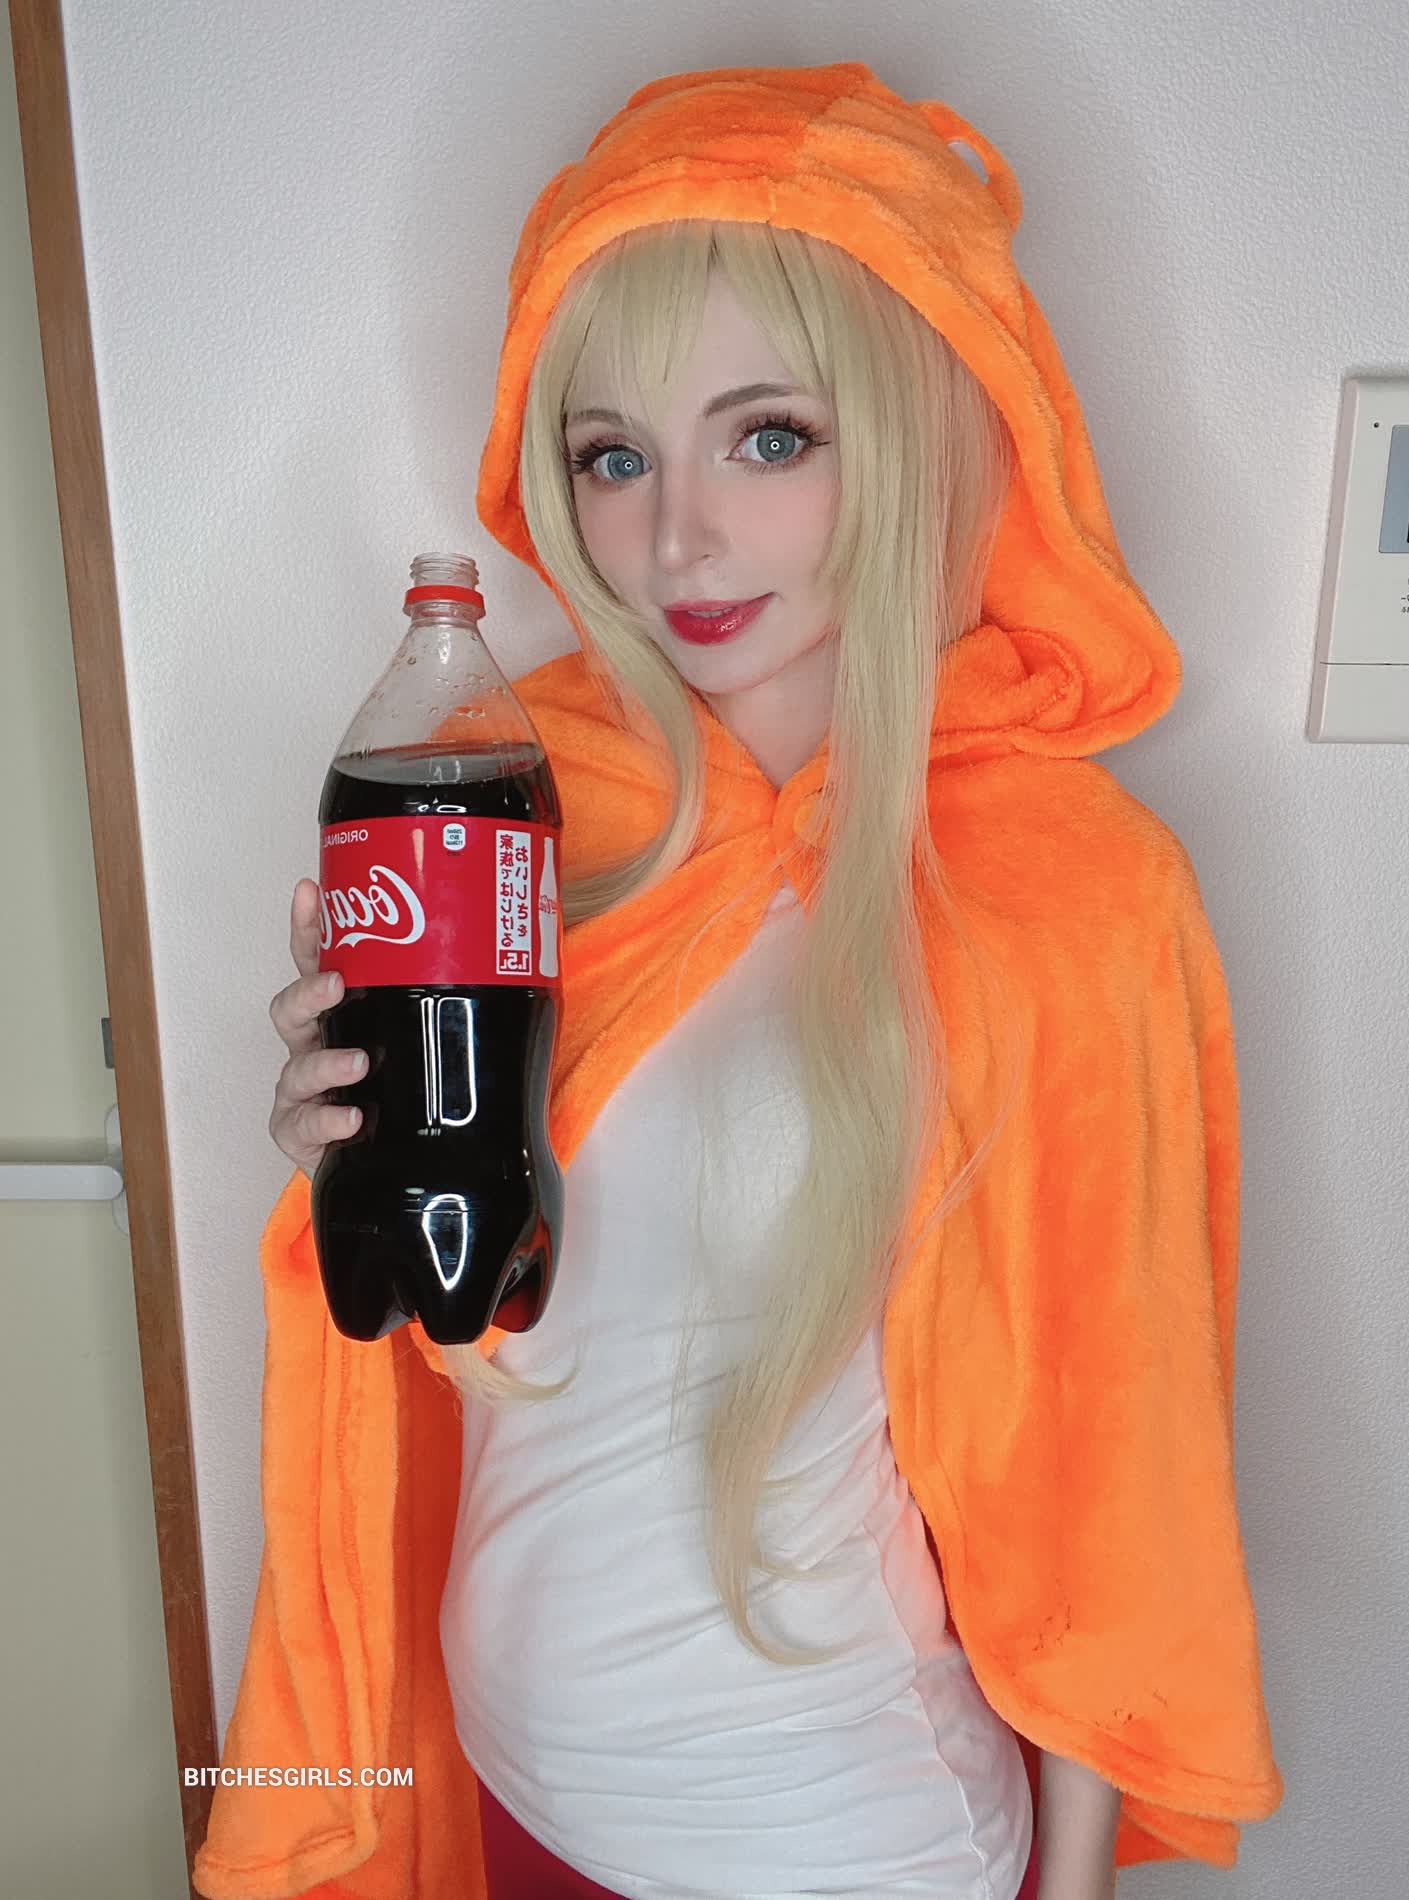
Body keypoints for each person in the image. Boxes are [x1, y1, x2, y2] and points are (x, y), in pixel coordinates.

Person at [196, 59, 1284, 1900]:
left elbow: (1123, 1450)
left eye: (768, 437)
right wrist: (352, 1160)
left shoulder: (1066, 891)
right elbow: (483, 1331)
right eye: (613, 456)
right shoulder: (511, 809)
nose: (677, 538)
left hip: (831, 1831)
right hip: (517, 1788)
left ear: (916, 432)